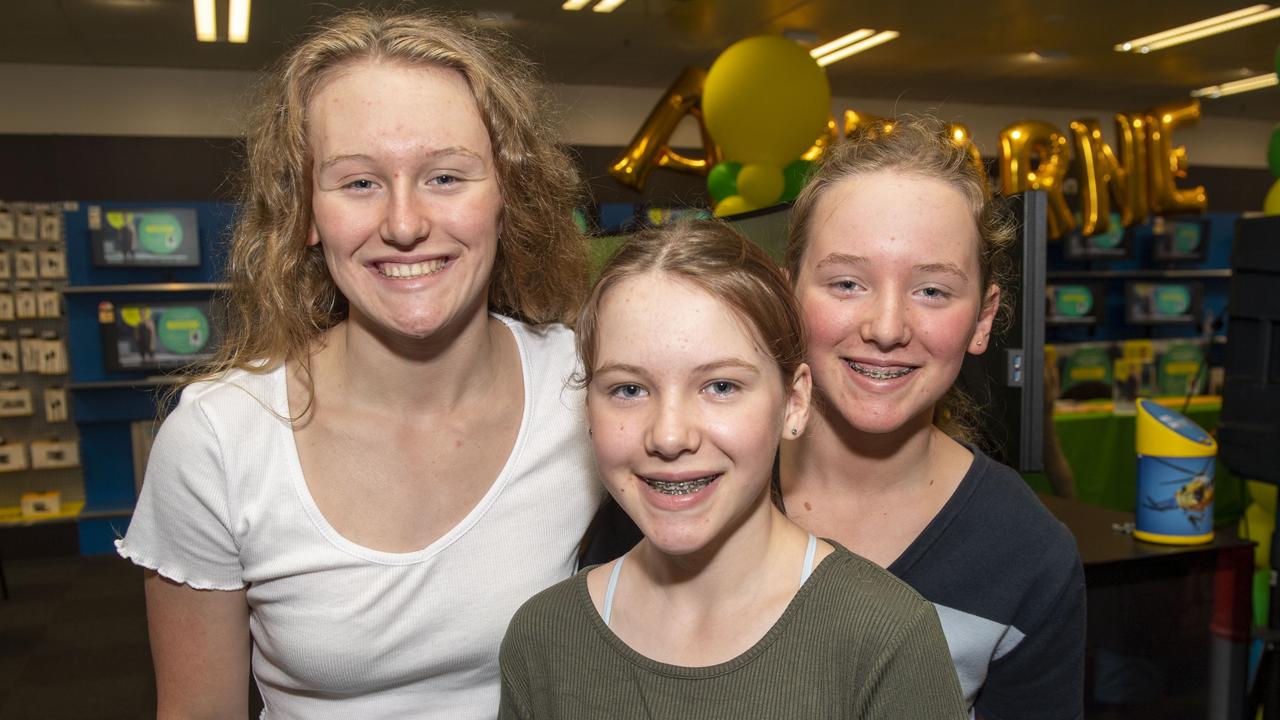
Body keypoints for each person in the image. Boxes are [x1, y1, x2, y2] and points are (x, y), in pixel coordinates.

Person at [115, 9, 601, 718]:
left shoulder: (589, 390)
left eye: (444, 176)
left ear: (505, 196)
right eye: (360, 183)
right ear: (306, 211)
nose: (403, 224)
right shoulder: (220, 440)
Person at [501, 221, 967, 719]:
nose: (670, 436)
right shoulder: (545, 638)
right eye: (629, 390)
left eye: (720, 387)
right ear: (588, 409)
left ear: (793, 402)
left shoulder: (883, 638)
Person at [780, 115, 1086, 719]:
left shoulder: (1028, 557)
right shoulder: (692, 487)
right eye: (846, 282)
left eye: (932, 292)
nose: (887, 328)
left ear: (983, 319)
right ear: (787, 295)